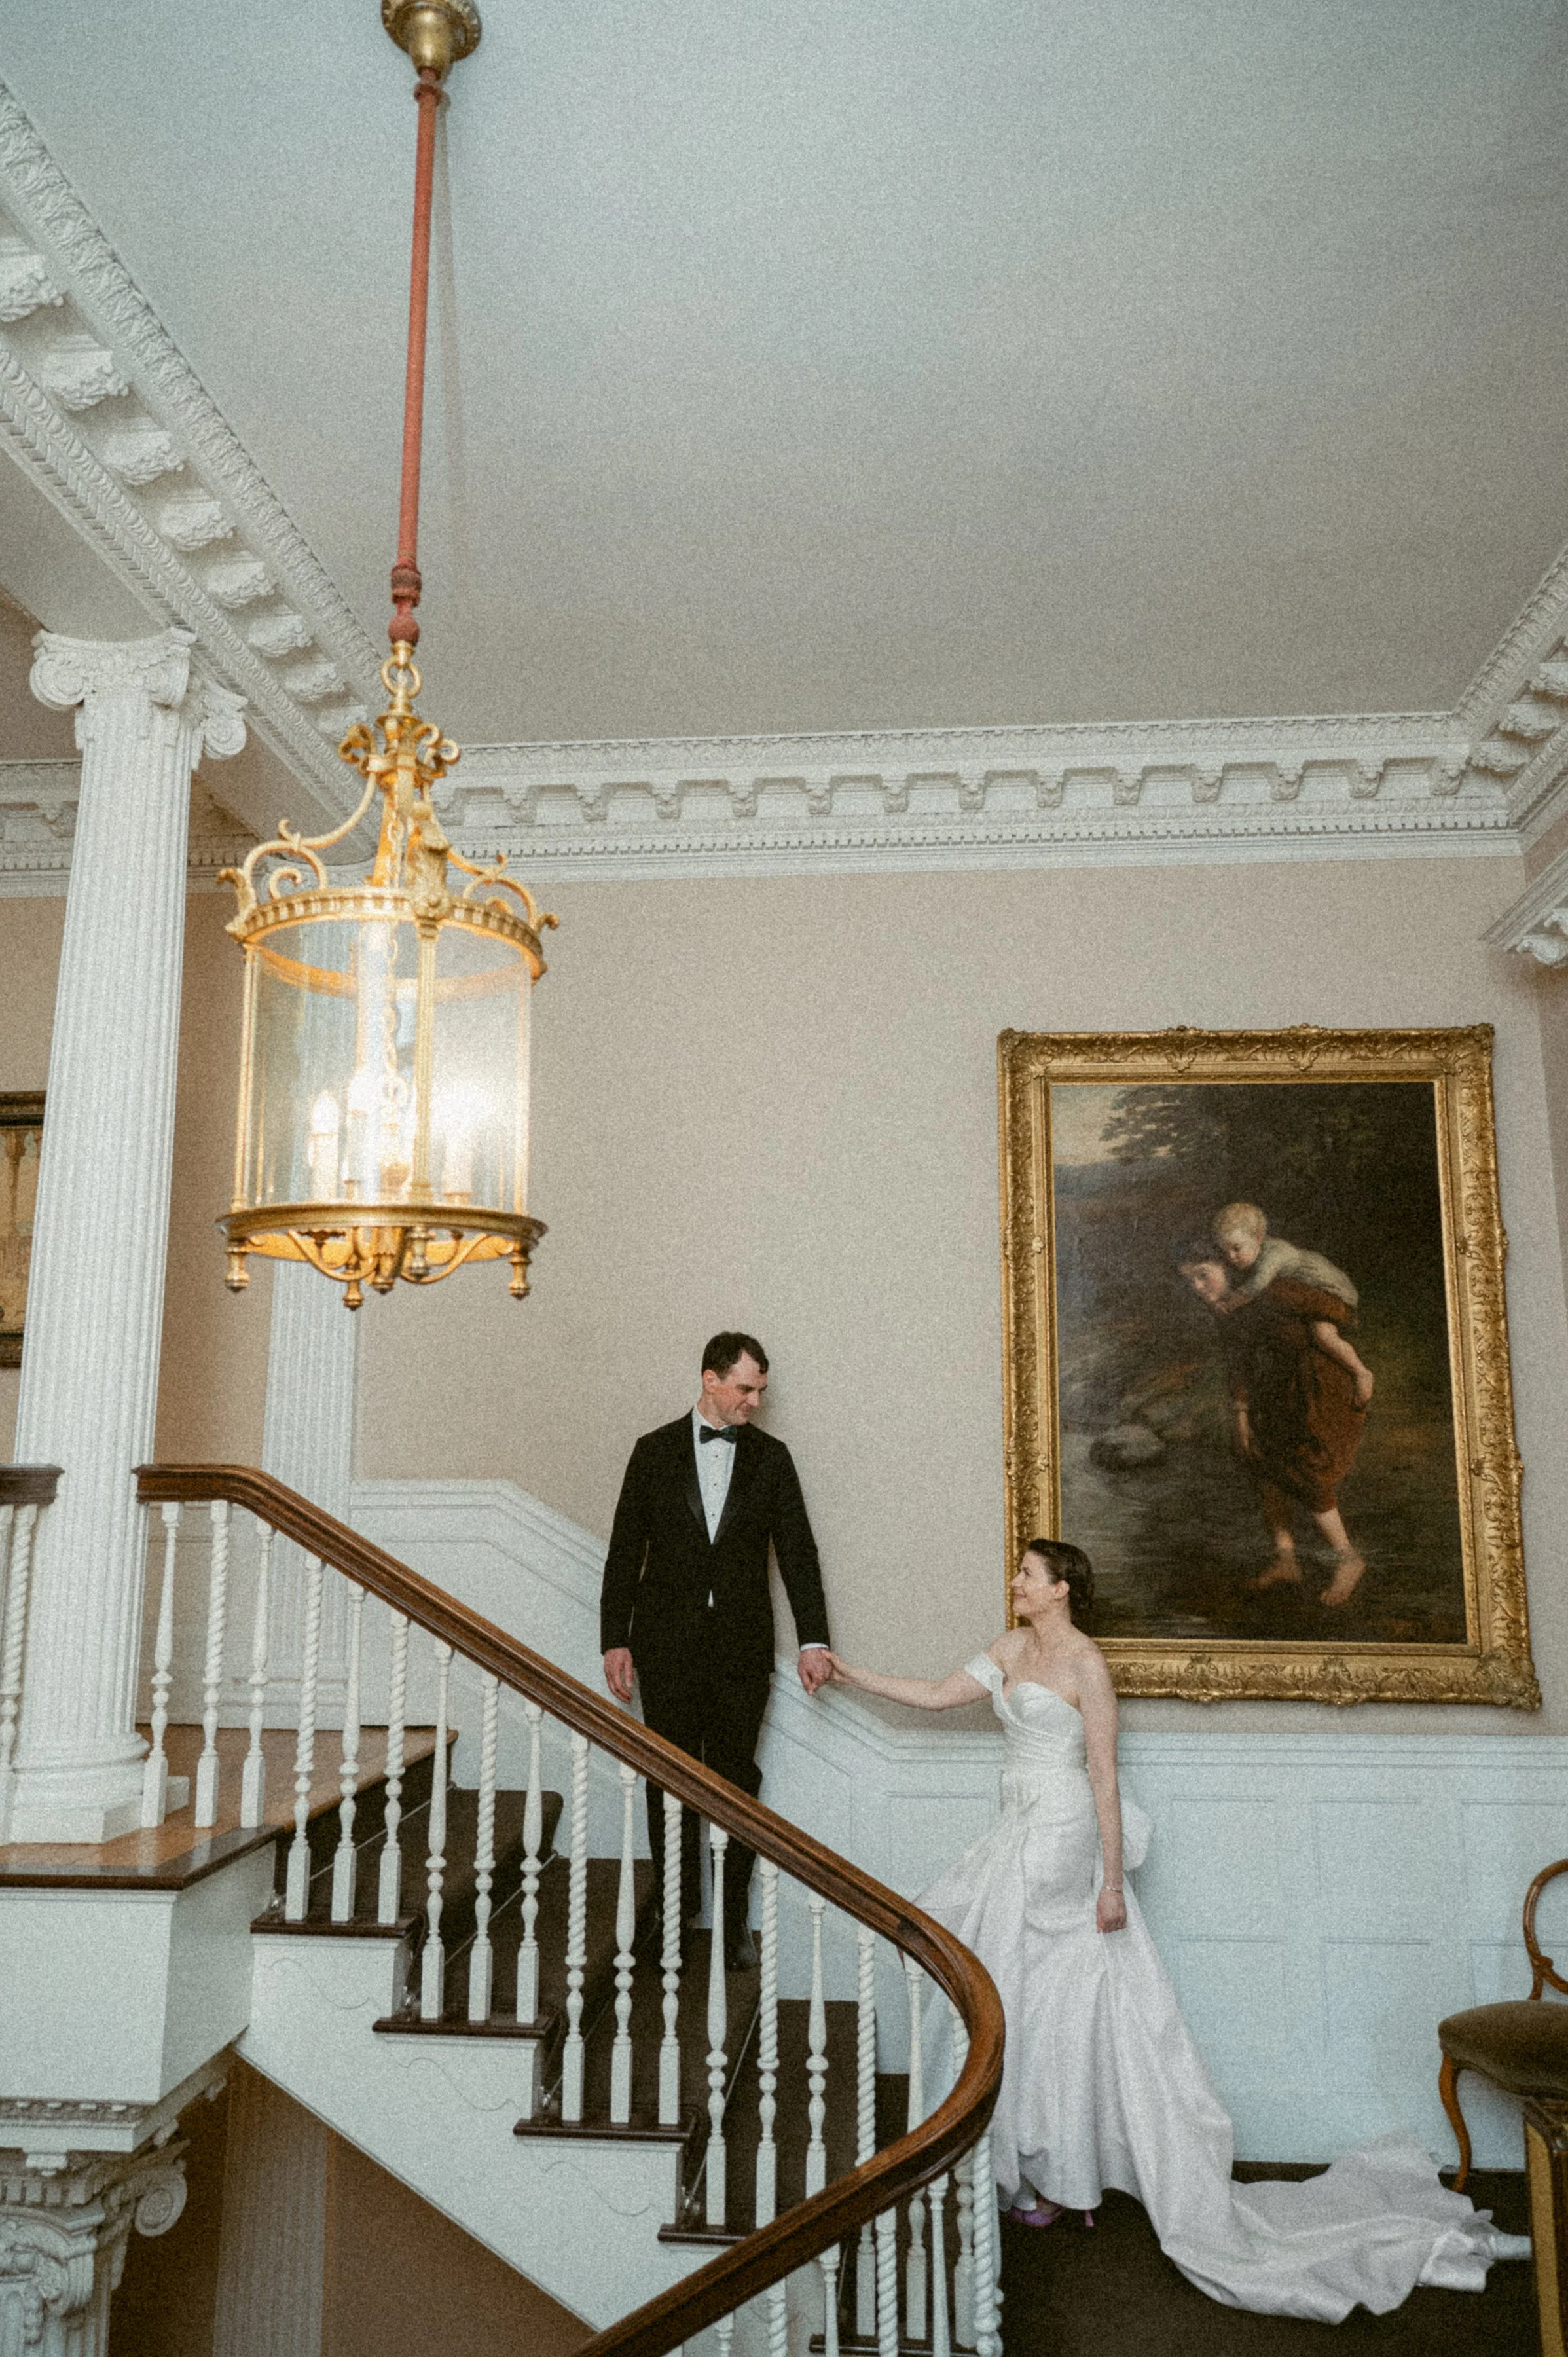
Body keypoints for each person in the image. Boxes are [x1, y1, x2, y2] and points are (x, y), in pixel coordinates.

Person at [824, 1541, 1528, 2322]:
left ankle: (1056, 2176)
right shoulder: (1011, 1646)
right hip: (1014, 1823)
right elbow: (930, 1694)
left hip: (1058, 1838)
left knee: (1053, 2007)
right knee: (1026, 2007)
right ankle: (1050, 2174)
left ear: (1061, 1590)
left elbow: (1101, 1772)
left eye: (1028, 1574)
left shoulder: (1085, 1664)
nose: (1016, 1583)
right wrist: (846, 1669)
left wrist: (1111, 1880)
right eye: (1021, 1574)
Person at [600, 1332, 831, 1969]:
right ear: (710, 1380)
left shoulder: (772, 1459)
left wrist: (814, 1639)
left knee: (735, 1783)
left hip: (741, 1649)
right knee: (666, 1780)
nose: (755, 1402)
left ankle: (732, 1926)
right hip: (664, 1644)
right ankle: (674, 1920)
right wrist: (614, 1639)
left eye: (760, 1391)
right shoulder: (652, 1452)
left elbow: (798, 1553)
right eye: (745, 1388)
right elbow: (625, 1551)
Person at [1178, 1242, 1372, 1606]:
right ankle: (1286, 1560)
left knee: (1310, 1469)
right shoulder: (1227, 1311)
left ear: (1227, 1268)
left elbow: (1335, 1307)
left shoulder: (1274, 1290)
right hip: (1277, 1390)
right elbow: (1238, 1364)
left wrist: (1321, 1332)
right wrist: (1241, 1414)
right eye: (1191, 1281)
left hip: (1320, 1382)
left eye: (1204, 1275)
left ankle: (1349, 1558)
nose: (1198, 1287)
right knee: (1263, 1464)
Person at [1211, 1201, 1358, 1313]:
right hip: (1308, 1296)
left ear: (1257, 1238)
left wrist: (1229, 1305)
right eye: (1225, 1251)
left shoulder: (1275, 1253)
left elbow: (1256, 1285)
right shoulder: (1252, 1257)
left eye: (1236, 1248)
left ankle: (1350, 1356)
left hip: (1335, 1295)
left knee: (1324, 1336)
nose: (1231, 1256)